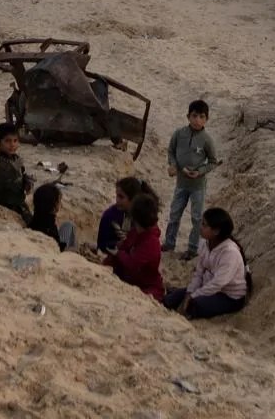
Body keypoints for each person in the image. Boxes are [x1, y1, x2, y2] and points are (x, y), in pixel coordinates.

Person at [163, 207, 250, 319]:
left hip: (229, 296)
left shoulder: (230, 252)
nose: (200, 228)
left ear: (216, 231)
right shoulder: (206, 244)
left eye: (204, 225)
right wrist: (190, 292)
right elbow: (199, 273)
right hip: (209, 286)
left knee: (194, 305)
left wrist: (193, 296)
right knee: (172, 299)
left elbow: (218, 284)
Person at [162, 99, 219, 257]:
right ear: (188, 116)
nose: (197, 120)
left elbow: (213, 162)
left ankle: (193, 249)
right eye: (194, 116)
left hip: (197, 186)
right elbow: (171, 151)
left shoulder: (207, 139)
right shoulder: (179, 134)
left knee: (196, 218)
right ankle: (169, 243)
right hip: (181, 183)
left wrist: (200, 171)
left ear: (206, 119)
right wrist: (172, 165)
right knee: (174, 214)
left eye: (201, 117)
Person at [106, 191, 164, 301]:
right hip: (130, 280)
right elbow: (124, 246)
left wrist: (118, 253)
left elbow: (132, 263)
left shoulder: (151, 242)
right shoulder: (136, 232)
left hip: (147, 287)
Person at [0, 122, 32, 223]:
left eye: (15, 141)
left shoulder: (16, 158)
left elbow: (22, 174)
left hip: (19, 200)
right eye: (7, 141)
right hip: (7, 203)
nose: (12, 145)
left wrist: (27, 182)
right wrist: (11, 183)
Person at [97, 175, 147, 253]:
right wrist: (116, 244)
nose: (117, 200)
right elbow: (101, 244)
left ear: (133, 199)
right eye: (117, 195)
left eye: (121, 197)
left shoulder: (142, 217)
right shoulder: (109, 215)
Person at [29, 182, 77, 251]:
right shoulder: (48, 226)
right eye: (59, 201)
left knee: (68, 225)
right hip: (56, 252)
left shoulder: (36, 218)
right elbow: (57, 245)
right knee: (70, 228)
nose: (60, 204)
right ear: (54, 207)